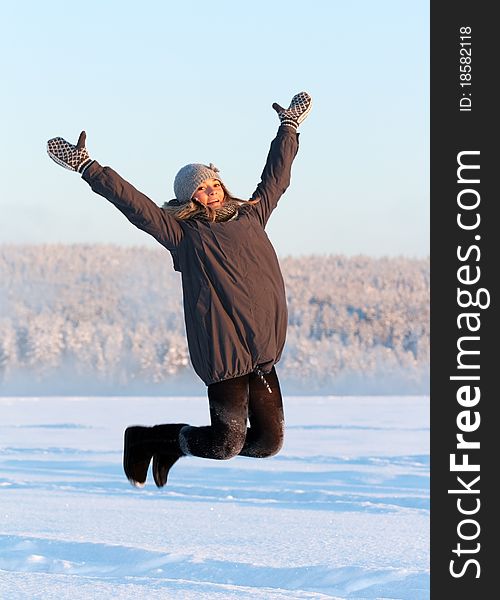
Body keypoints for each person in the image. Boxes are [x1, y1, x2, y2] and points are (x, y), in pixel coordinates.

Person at [47, 91, 312, 489]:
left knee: (268, 443)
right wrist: (89, 168)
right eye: (200, 190)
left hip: (263, 352)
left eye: (212, 184)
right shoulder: (184, 235)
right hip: (224, 352)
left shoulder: (253, 214)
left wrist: (288, 127)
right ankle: (151, 439)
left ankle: (171, 445)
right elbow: (136, 207)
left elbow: (278, 175)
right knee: (225, 445)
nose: (210, 192)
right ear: (189, 198)